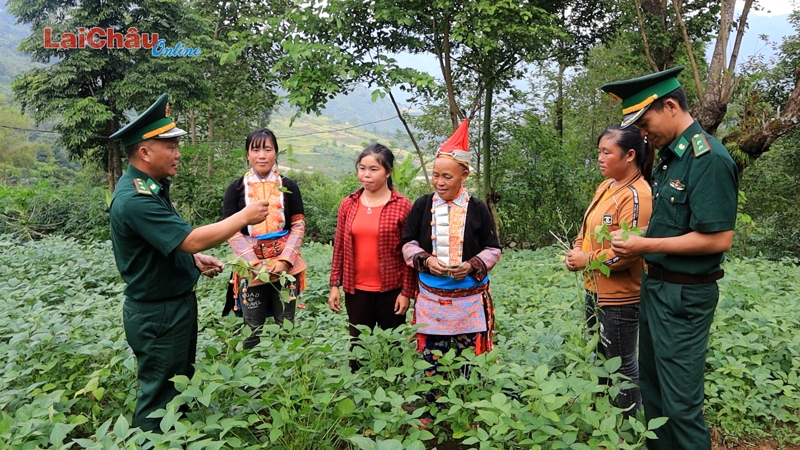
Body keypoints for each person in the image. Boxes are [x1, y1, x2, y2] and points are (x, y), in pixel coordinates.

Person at [109, 93, 271, 431]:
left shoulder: (153, 188)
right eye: (170, 145)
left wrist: (192, 260)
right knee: (159, 397)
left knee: (178, 386)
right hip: (159, 313)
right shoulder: (136, 199)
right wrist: (245, 215)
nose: (178, 152)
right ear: (145, 152)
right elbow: (190, 237)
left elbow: (167, 243)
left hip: (173, 305)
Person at [602, 66, 738, 450]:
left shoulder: (707, 159)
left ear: (671, 106)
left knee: (680, 405)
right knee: (656, 395)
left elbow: (718, 238)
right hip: (657, 289)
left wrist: (643, 247)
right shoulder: (670, 159)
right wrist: (639, 237)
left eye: (646, 122)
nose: (643, 134)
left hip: (684, 298)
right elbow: (674, 229)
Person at [401, 120, 501, 414]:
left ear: (464, 175)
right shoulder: (421, 205)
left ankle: (466, 410)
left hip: (469, 302)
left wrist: (471, 265)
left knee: (468, 357)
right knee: (431, 357)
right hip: (431, 300)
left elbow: (493, 248)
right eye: (435, 175)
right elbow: (407, 243)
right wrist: (426, 260)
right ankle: (431, 410)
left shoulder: (478, 207)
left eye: (447, 176)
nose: (440, 181)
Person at [565, 125, 654, 417]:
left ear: (629, 155)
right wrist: (578, 249)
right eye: (599, 152)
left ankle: (629, 423)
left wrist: (587, 259)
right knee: (602, 357)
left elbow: (629, 252)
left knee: (621, 363)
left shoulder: (638, 195)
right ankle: (607, 416)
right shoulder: (607, 185)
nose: (600, 158)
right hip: (595, 289)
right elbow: (587, 224)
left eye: (607, 152)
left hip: (620, 297)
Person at [327, 143, 415, 371]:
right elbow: (340, 247)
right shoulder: (349, 204)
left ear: (388, 171)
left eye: (374, 169)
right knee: (358, 346)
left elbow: (409, 254)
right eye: (362, 168)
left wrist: (407, 292)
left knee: (391, 345)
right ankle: (359, 391)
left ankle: (392, 392)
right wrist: (335, 285)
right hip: (357, 289)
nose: (366, 175)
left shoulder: (403, 206)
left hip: (391, 290)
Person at [222, 128, 306, 349]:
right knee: (252, 323)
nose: (262, 155)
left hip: (285, 266)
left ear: (276, 152)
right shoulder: (236, 188)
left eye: (267, 149)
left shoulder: (289, 186)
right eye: (255, 149)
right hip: (251, 267)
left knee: (286, 321)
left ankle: (289, 366)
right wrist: (254, 263)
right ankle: (251, 370)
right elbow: (230, 229)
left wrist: (285, 260)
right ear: (247, 154)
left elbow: (297, 225)